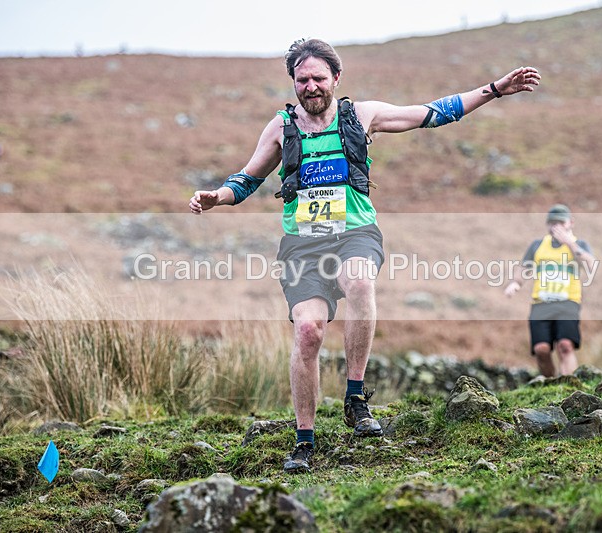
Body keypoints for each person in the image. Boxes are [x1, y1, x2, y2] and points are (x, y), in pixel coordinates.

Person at [190, 38, 541, 472]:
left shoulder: (362, 115)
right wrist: (217, 197)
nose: (311, 86)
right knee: (308, 333)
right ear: (293, 83)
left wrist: (493, 89)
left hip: (356, 232)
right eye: (303, 80)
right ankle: (304, 441)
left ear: (336, 78)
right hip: (303, 244)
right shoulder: (281, 128)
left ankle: (355, 397)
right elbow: (246, 179)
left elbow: (432, 113)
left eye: (319, 78)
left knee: (357, 281)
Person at [504, 204, 596, 378]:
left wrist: (569, 243)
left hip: (568, 303)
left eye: (561, 222)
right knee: (541, 349)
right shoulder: (537, 245)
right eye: (552, 222)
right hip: (541, 304)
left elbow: (591, 265)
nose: (556, 226)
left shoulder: (579, 245)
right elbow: (524, 268)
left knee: (565, 346)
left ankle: (569, 385)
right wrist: (515, 283)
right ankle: (549, 384)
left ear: (570, 223)